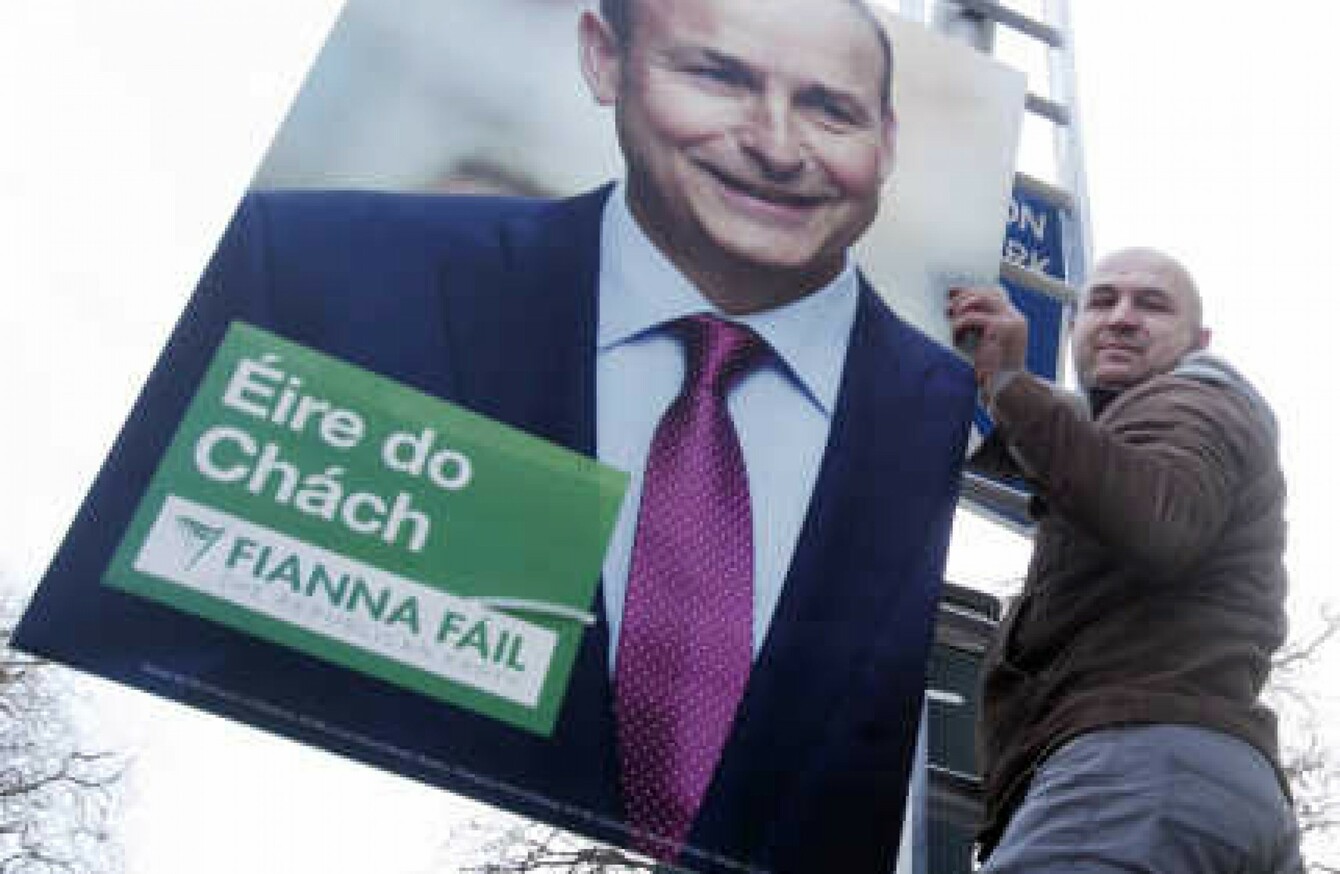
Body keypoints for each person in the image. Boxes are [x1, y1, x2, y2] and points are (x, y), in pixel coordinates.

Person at [16, 1, 976, 872]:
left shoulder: (939, 410)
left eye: (830, 110)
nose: (774, 144)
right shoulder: (312, 274)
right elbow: (142, 629)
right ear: (604, 59)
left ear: (887, 140)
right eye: (717, 76)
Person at [948, 248, 1302, 873]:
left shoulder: (1195, 400)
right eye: (1103, 301)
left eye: (1152, 304)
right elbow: (1093, 459)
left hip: (1136, 779)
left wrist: (1010, 386)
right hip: (1209, 794)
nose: (1121, 317)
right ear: (1076, 326)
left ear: (1199, 342)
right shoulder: (1132, 430)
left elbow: (1158, 518)